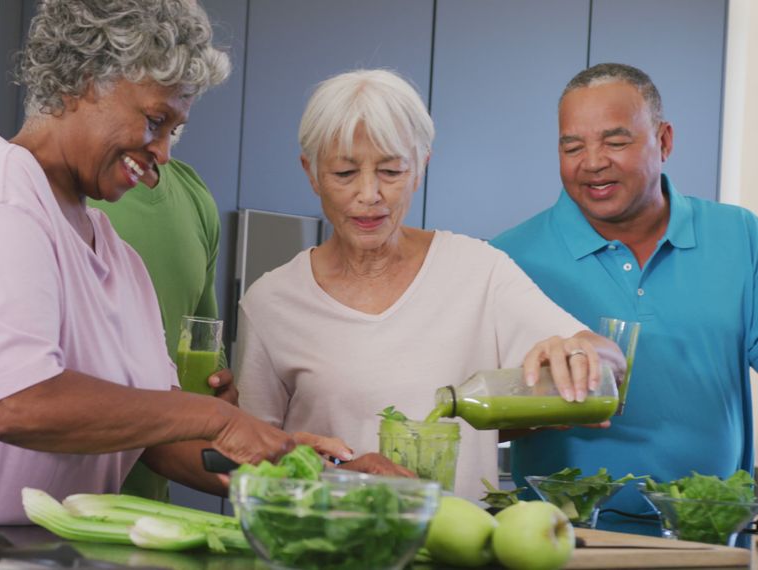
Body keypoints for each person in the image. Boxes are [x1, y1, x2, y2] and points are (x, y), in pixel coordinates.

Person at [0, 0, 376, 525]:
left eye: (175, 130)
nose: (163, 152)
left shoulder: (116, 258)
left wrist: (300, 470)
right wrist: (215, 422)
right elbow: (15, 403)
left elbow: (156, 439)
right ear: (84, 81)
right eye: (154, 119)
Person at [234, 69, 625, 501]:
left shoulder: (479, 270)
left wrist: (582, 351)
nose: (369, 194)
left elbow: (608, 363)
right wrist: (334, 473)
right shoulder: (271, 302)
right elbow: (250, 466)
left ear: (420, 167)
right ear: (311, 173)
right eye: (344, 173)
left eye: (390, 171)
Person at [492, 62, 758, 532]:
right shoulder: (506, 259)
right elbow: (478, 419)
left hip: (708, 540)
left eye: (615, 142)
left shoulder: (739, 235)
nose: (592, 162)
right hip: (559, 544)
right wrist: (545, 403)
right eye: (572, 146)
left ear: (665, 141)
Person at [89, 148, 226, 501]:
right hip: (66, 504)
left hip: (149, 504)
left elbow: (203, 337)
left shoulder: (193, 194)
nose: (161, 147)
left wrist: (219, 398)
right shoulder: (69, 194)